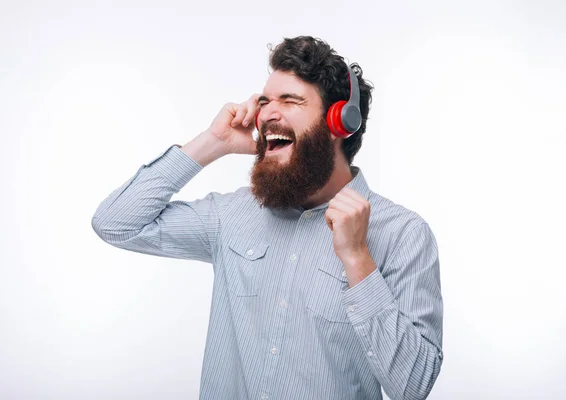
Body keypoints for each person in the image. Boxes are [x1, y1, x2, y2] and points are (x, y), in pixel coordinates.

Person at [92, 35, 443, 400]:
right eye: (264, 101)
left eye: (290, 101)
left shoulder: (403, 234)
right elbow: (116, 223)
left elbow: (413, 386)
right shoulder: (231, 215)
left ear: (340, 122)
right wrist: (214, 142)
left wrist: (358, 261)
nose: (266, 114)